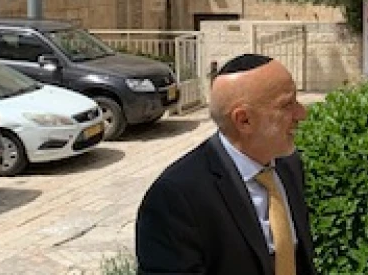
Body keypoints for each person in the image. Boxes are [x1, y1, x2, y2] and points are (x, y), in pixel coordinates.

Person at [136, 54, 317, 275]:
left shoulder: (288, 165)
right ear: (244, 120)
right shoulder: (176, 199)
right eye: (287, 104)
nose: (302, 113)